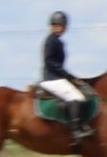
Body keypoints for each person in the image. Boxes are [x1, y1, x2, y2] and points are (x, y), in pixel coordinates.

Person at [39, 10, 94, 143]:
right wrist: (70, 77)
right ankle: (76, 131)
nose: (60, 28)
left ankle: (80, 125)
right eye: (57, 25)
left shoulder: (58, 41)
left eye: (62, 26)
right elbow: (50, 62)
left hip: (57, 77)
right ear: (52, 26)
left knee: (82, 93)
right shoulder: (51, 40)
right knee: (77, 97)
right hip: (52, 79)